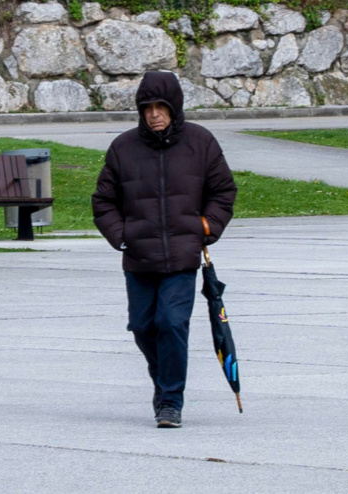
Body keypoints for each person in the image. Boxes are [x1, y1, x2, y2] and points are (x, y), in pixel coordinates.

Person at [92, 71, 237, 428]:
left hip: (182, 255)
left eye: (161, 107)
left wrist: (206, 227)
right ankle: (163, 379)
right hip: (138, 256)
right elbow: (103, 201)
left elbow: (223, 191)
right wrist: (121, 235)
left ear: (175, 107)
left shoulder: (201, 142)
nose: (155, 114)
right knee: (143, 327)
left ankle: (171, 401)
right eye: (147, 108)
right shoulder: (123, 147)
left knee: (171, 324)